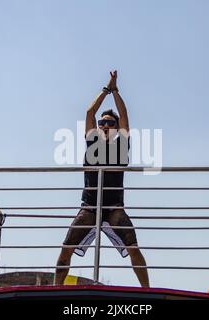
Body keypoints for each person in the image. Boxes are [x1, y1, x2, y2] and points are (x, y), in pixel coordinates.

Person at [54, 70, 150, 288]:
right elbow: (89, 112)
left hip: (114, 207)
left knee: (133, 247)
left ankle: (147, 291)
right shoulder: (92, 142)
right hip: (89, 206)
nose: (105, 125)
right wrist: (106, 89)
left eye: (110, 123)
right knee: (65, 249)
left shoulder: (122, 145)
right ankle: (55, 289)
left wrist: (116, 91)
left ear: (116, 128)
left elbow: (124, 114)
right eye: (102, 123)